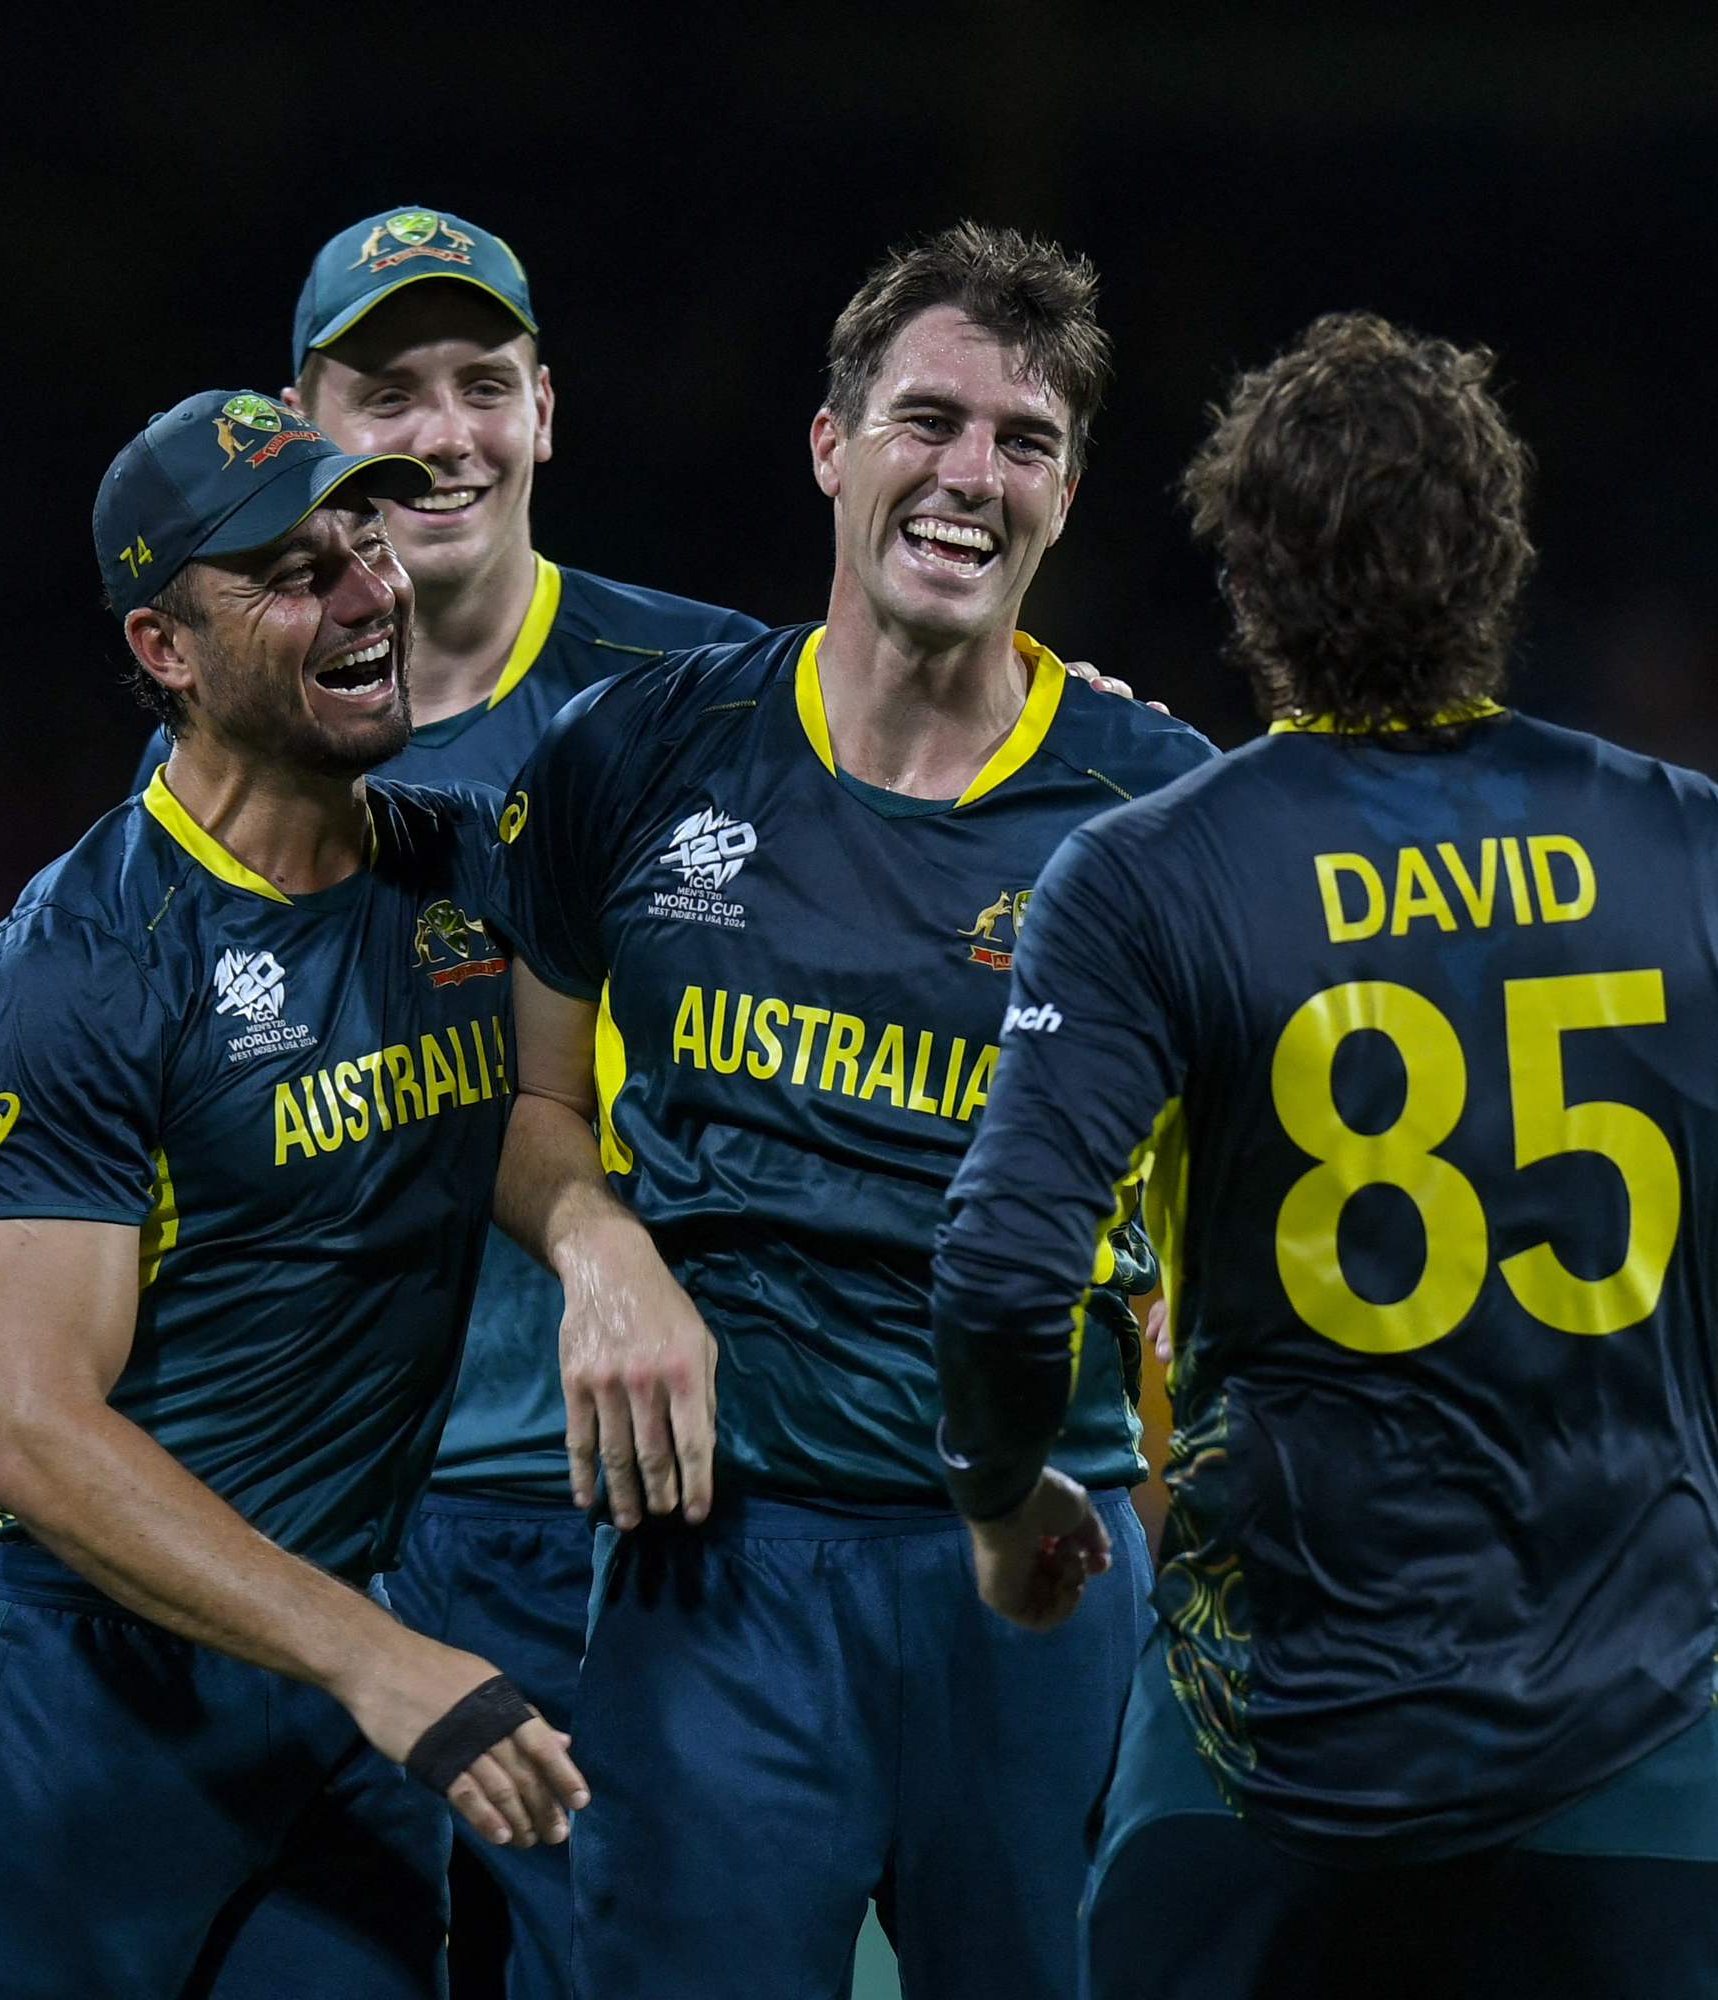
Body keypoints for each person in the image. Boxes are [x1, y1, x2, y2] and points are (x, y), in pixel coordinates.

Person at [929, 312, 1718, 1998]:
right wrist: (1635, 1265)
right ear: (1500, 561)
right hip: (1628, 1756)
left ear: (1244, 578)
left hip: (1272, 1752)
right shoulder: (1696, 845)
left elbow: (1001, 1274)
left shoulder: (1149, 877)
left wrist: (997, 1502)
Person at [489, 222, 1215, 1999]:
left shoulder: (1163, 811)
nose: (971, 476)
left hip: (1043, 1567)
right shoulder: (639, 755)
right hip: (713, 1569)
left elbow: (1242, 1222)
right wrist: (600, 1248)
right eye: (928, 420)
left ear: (1066, 493)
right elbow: (524, 1098)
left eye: (1024, 444)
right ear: (831, 443)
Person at [0, 391, 582, 1999]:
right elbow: (38, 1434)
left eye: (367, 540)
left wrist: (1025, 690)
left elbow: (580, 1078)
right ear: (166, 648)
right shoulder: (74, 970)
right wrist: (379, 1658)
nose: (368, 590)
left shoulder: (470, 878)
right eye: (291, 569)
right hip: (60, 1677)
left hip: (324, 1682)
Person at [137, 203, 765, 1997]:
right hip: (331, 1539)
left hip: (625, 1531)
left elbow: (962, 789)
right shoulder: (242, 732)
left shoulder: (717, 696)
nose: (441, 433)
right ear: (297, 421)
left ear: (548, 411)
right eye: (384, 390)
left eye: (483, 384)